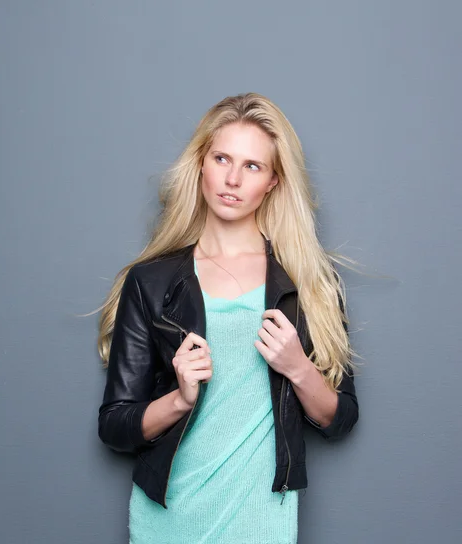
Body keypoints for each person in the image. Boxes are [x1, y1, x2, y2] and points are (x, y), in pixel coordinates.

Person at [96, 92, 360, 544]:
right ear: (201, 162)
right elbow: (115, 426)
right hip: (170, 514)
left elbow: (341, 419)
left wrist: (298, 368)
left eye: (253, 166)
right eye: (221, 158)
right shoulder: (152, 281)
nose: (232, 179)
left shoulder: (310, 283)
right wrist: (179, 398)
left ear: (274, 181)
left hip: (262, 517)